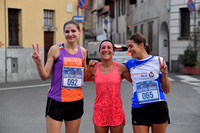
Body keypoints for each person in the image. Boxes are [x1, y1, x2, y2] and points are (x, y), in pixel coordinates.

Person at [32, 20, 87, 133]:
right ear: (63, 33)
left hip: (76, 100)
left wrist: (94, 67)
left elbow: (84, 75)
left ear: (79, 32)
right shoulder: (56, 49)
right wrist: (38, 62)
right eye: (67, 31)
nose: (70, 34)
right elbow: (45, 75)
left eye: (73, 31)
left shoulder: (82, 51)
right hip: (57, 100)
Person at [125, 33, 171, 133]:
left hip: (158, 106)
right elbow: (112, 68)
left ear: (141, 45)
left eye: (131, 46)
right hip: (139, 108)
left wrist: (165, 74)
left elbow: (167, 90)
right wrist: (94, 63)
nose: (128, 50)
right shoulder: (129, 64)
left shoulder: (158, 60)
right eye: (128, 47)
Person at [84, 40, 132, 133]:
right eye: (103, 48)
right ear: (99, 52)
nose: (106, 50)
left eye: (109, 47)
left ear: (113, 52)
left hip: (116, 112)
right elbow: (80, 79)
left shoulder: (121, 68)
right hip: (100, 112)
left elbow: (135, 81)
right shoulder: (93, 68)